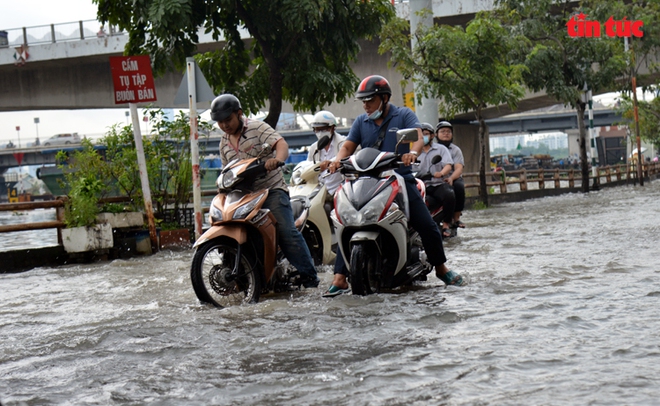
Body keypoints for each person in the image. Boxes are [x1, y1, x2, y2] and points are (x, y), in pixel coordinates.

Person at [324, 75, 465, 297]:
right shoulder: (361, 121)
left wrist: (412, 153)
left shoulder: (403, 115)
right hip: (367, 181)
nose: (366, 105)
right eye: (363, 101)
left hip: (399, 178)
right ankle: (340, 278)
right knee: (347, 220)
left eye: (370, 100)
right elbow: (348, 147)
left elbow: (418, 138)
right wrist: (335, 160)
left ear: (384, 98)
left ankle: (441, 268)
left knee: (427, 225)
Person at [211, 94, 320, 288]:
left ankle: (310, 277)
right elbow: (225, 171)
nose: (225, 125)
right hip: (243, 197)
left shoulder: (257, 127)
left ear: (239, 114)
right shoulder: (223, 142)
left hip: (271, 191)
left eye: (228, 120)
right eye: (220, 122)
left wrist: (276, 159)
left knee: (287, 232)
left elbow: (281, 144)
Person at [417, 122, 455, 238]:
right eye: (421, 134)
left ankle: (446, 223)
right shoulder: (414, 151)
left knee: (450, 194)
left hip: (438, 184)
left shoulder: (441, 149)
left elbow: (448, 165)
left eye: (426, 134)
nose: (424, 137)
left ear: (433, 136)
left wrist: (441, 173)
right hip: (422, 185)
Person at [306, 110, 346, 197]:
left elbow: (348, 157)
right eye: (317, 129)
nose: (320, 133)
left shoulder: (343, 143)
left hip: (340, 189)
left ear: (332, 128)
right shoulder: (314, 148)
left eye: (323, 129)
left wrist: (331, 162)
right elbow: (308, 167)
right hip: (320, 190)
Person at [435, 121, 466, 229]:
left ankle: (456, 217)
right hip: (435, 179)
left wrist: (451, 178)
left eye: (448, 131)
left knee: (459, 187)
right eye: (442, 131)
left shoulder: (456, 150)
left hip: (453, 177)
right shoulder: (432, 149)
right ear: (436, 134)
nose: (446, 133)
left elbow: (459, 168)